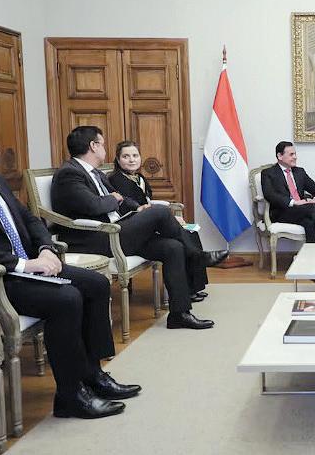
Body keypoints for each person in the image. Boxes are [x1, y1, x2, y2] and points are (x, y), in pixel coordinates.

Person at [0, 115, 140, 419]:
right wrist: (23, 263)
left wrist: (46, 248)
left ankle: (93, 374)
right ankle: (71, 396)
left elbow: (30, 219)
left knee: (96, 283)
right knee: (66, 299)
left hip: (21, 268)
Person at [50, 126, 225, 330]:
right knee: (160, 212)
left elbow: (121, 199)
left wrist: (138, 208)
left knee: (172, 247)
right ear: (93, 146)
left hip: (116, 230)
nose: (105, 149)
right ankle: (196, 256)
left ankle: (179, 314)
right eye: (103, 144)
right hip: (96, 238)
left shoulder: (95, 173)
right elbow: (93, 205)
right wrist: (113, 199)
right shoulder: (69, 173)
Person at [107, 140, 210, 303]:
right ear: (118, 160)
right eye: (126, 156)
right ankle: (194, 272)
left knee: (190, 231)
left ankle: (193, 287)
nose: (132, 160)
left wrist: (171, 218)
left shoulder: (139, 177)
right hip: (135, 225)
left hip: (150, 219)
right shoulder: (115, 179)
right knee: (180, 239)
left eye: (135, 155)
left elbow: (148, 201)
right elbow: (126, 204)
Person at [260, 141, 315, 244]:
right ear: (280, 156)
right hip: (281, 212)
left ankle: (312, 253)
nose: (295, 157)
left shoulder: (300, 172)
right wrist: (294, 202)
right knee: (310, 207)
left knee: (310, 223)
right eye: (291, 154)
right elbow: (269, 194)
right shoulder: (268, 173)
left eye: (295, 154)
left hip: (301, 211)